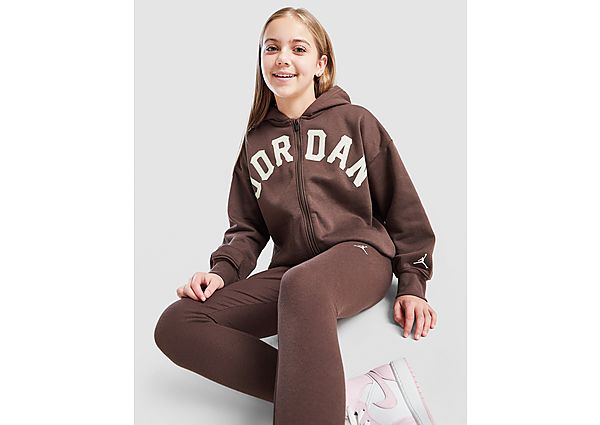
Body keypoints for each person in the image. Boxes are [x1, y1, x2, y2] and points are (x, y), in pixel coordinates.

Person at [154, 6, 438, 425]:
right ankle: (343, 393)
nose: (282, 58)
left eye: (298, 49)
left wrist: (413, 282)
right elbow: (247, 229)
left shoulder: (356, 121)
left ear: (320, 64)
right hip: (291, 273)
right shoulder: (255, 142)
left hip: (358, 258)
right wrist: (221, 273)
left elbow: (403, 209)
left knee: (304, 284)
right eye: (272, 48)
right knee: (177, 323)